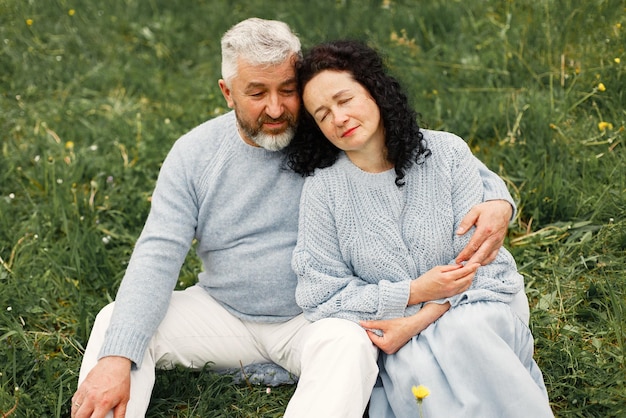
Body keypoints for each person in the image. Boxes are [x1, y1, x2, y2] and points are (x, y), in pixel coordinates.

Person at [71, 18, 519, 418]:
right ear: (227, 93)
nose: (275, 109)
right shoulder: (195, 153)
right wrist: (117, 358)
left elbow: (425, 153)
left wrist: (498, 198)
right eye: (256, 92)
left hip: (316, 318)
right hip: (222, 311)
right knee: (116, 325)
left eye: (287, 90)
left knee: (348, 348)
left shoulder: (328, 129)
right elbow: (157, 253)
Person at [286, 40, 553, 417]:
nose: (338, 118)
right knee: (416, 368)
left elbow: (487, 266)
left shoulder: (447, 154)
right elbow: (321, 294)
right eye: (322, 113)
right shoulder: (323, 190)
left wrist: (419, 317)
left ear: (374, 91)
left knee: (467, 333)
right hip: (396, 339)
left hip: (476, 308)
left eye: (345, 99)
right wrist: (410, 293)